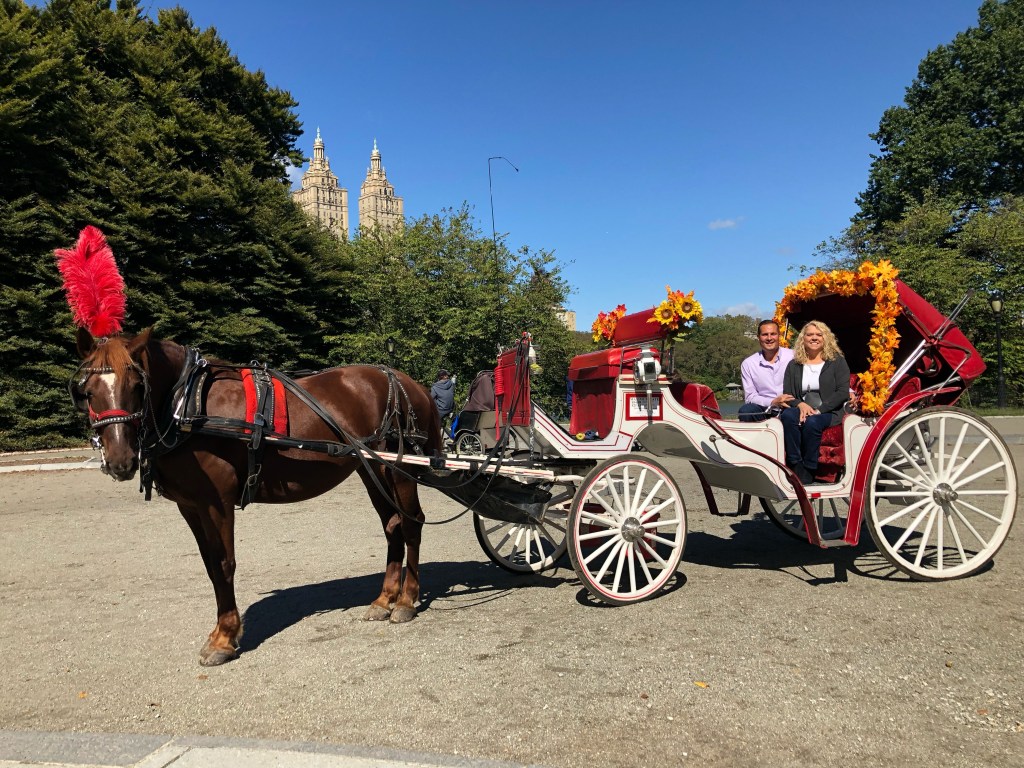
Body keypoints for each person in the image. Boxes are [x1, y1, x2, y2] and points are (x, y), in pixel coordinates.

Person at [779, 320, 850, 485]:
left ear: (826, 338)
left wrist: (819, 410)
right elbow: (788, 394)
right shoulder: (794, 365)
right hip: (802, 407)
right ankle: (795, 463)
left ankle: (810, 468)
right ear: (803, 339)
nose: (814, 338)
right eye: (810, 334)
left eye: (819, 334)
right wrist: (800, 404)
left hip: (829, 411)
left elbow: (842, 392)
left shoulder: (837, 362)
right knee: (788, 416)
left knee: (812, 422)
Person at [739, 320, 794, 422]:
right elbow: (750, 397)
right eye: (765, 334)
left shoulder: (793, 356)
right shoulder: (748, 364)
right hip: (765, 408)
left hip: (791, 406)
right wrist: (773, 401)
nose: (769, 338)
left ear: (779, 335)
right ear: (758, 337)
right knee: (746, 411)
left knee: (791, 415)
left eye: (773, 334)